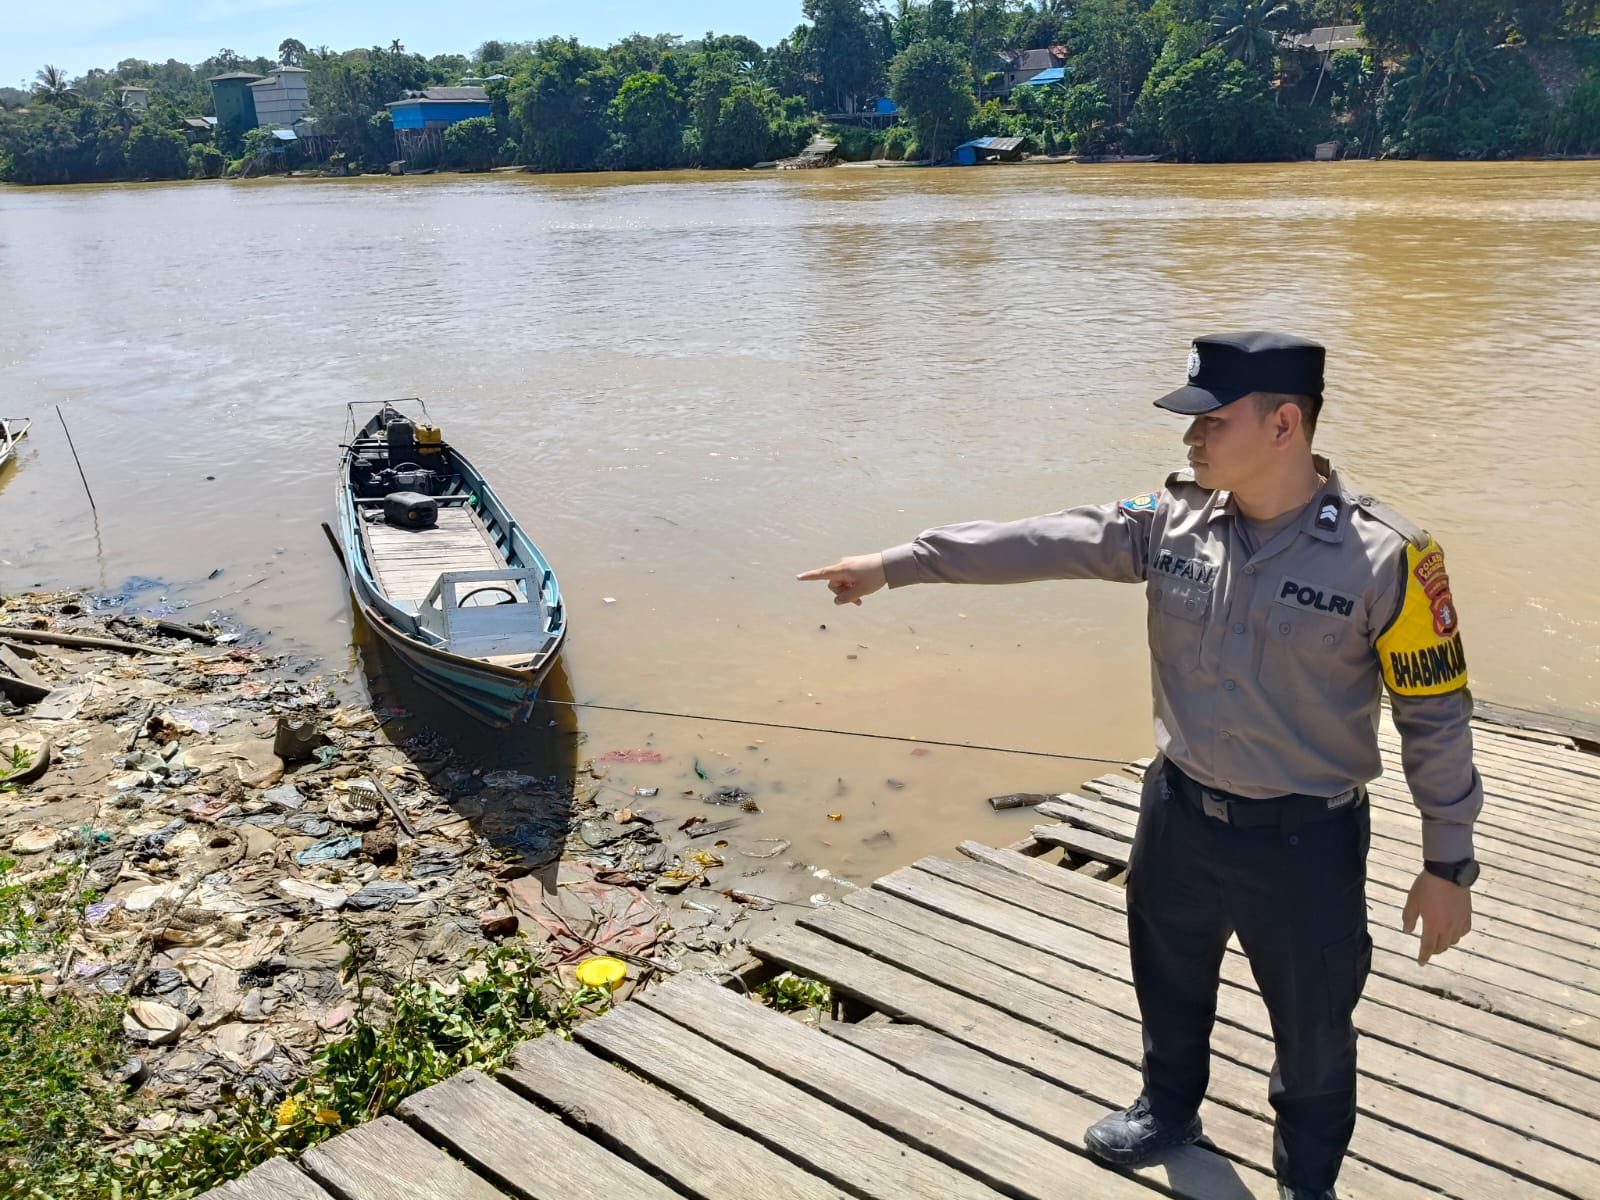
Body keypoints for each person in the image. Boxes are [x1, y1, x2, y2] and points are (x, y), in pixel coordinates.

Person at [797, 332, 1481, 1200]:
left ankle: (1308, 1181)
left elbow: (1435, 714)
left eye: (1211, 422)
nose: (1191, 440)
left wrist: (1447, 862)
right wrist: (901, 565)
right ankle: (1168, 1109)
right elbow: (1046, 540)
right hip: (1181, 817)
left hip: (1305, 841)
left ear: (1283, 424)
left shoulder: (1391, 557)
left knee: (1313, 1032)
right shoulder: (1172, 521)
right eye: (1190, 425)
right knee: (1166, 980)